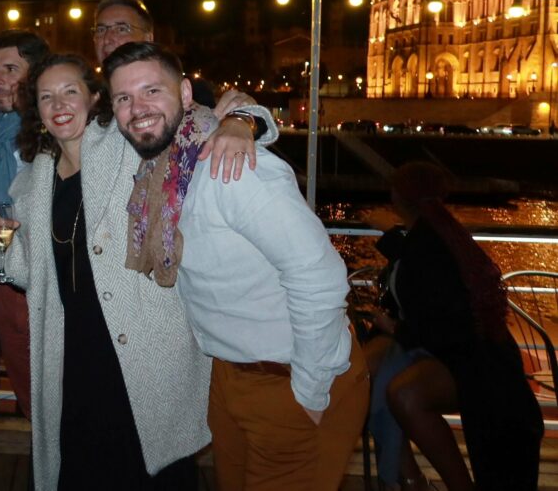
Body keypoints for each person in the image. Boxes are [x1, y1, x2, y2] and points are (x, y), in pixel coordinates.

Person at [0, 52, 276, 490]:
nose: (58, 104)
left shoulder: (128, 140)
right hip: (71, 351)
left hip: (143, 348)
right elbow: (27, 271)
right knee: (81, 467)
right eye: (45, 97)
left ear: (95, 97)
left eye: (69, 92)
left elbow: (201, 119)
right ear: (35, 110)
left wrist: (241, 123)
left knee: (152, 471)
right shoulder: (30, 182)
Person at [105, 42, 368, 491]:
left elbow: (319, 278)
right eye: (123, 99)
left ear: (186, 94)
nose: (138, 109)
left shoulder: (233, 169)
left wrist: (309, 390)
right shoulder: (159, 178)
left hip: (289, 377)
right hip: (227, 376)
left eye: (152, 91)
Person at [366, 162, 542, 491]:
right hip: (476, 352)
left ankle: (412, 478)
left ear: (397, 197)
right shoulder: (440, 234)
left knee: (396, 390)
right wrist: (390, 237)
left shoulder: (428, 246)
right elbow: (424, 275)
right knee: (374, 373)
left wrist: (393, 328)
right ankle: (405, 477)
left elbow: (437, 320)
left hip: (471, 361)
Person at [92, 0, 267, 180]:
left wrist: (239, 123)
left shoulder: (186, 91)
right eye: (101, 30)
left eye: (121, 28)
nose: (108, 38)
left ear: (148, 37)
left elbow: (236, 107)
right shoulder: (91, 102)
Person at [0, 29, 49, 419]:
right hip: (4, 274)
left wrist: (3, 246)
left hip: (32, 281)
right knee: (31, 396)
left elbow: (19, 214)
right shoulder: (3, 121)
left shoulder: (46, 125)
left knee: (47, 398)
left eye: (11, 68)